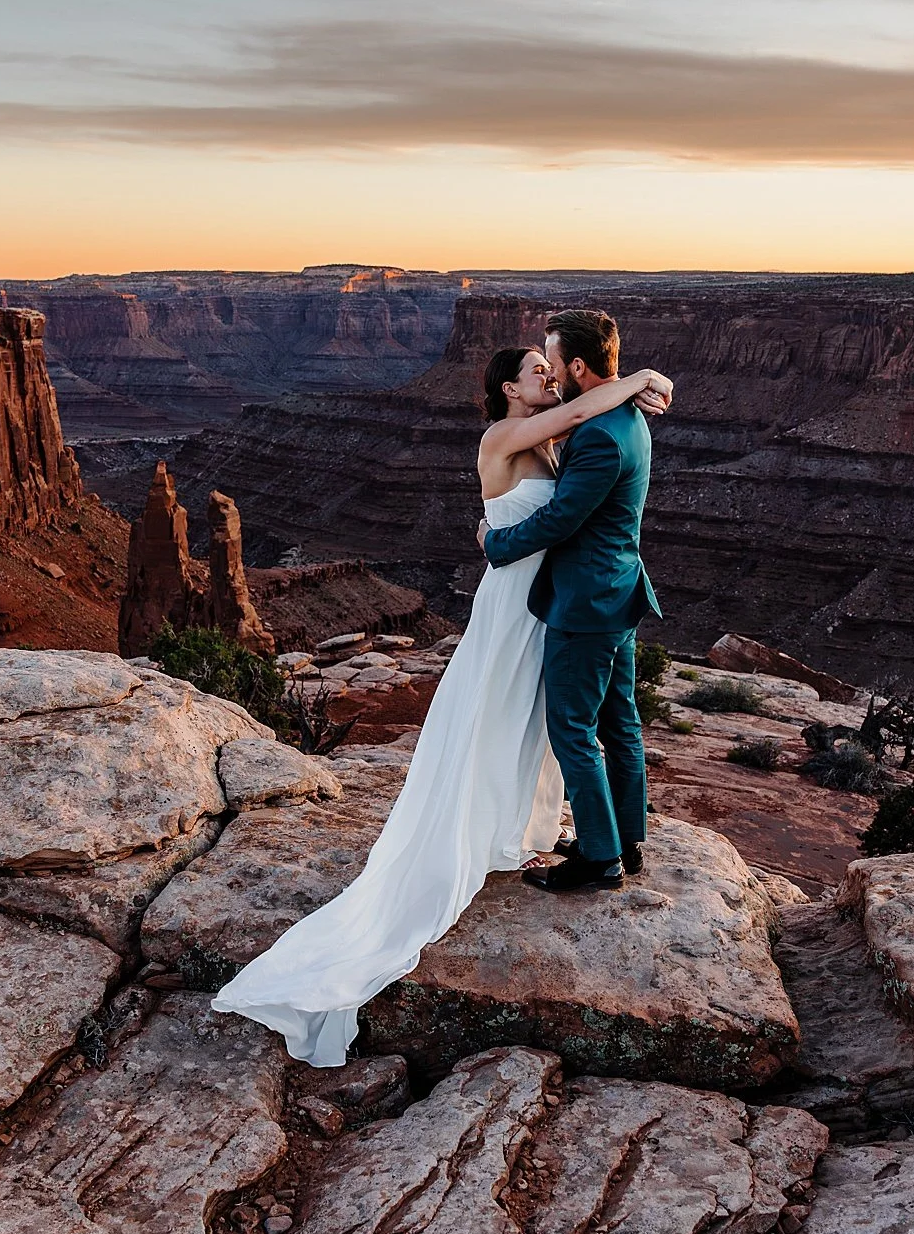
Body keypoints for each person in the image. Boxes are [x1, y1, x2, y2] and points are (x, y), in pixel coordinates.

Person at [210, 341, 671, 1066]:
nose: (548, 380)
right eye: (535, 375)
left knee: (537, 728)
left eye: (552, 369)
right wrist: (640, 378)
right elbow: (586, 407)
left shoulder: (555, 437)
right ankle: (483, 837)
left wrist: (633, 388)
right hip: (517, 604)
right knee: (503, 721)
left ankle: (517, 829)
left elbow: (584, 435)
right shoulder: (504, 436)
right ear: (509, 392)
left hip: (547, 604)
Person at [480, 309, 660, 893]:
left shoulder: (598, 434)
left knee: (575, 730)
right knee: (620, 722)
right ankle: (626, 841)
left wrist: (495, 542)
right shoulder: (626, 419)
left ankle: (600, 860)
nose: (552, 376)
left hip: (585, 604)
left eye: (553, 362)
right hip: (616, 592)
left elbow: (560, 519)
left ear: (576, 364)